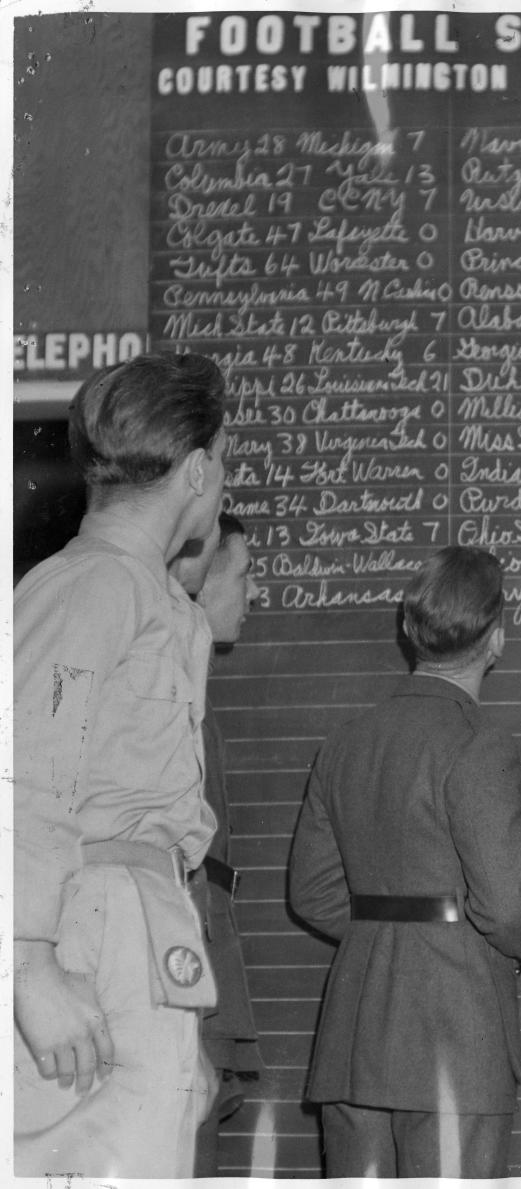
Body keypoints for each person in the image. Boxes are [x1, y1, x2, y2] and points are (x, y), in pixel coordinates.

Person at [13, 352, 227, 1179]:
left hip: (137, 927)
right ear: (199, 470)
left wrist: (178, 1038)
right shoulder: (88, 588)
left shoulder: (148, 597)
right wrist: (28, 968)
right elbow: (23, 780)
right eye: (226, 461)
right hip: (77, 932)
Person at [288, 545, 521, 1178]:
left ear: (410, 630)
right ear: (496, 639)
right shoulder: (478, 743)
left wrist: (386, 937)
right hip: (458, 1033)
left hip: (355, 1035)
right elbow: (512, 908)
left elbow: (313, 893)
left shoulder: (345, 741)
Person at [171, 511, 264, 1176]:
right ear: (195, 581)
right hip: (181, 999)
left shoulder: (195, 700)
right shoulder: (166, 705)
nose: (254, 591)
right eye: (244, 572)